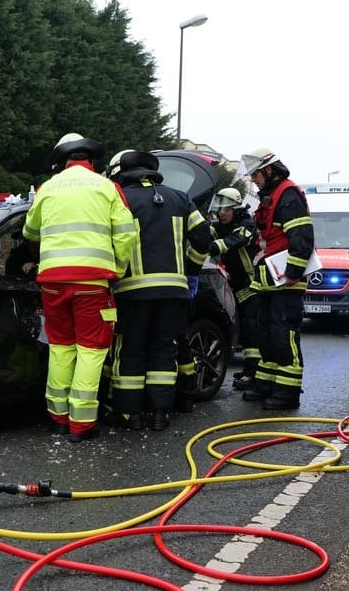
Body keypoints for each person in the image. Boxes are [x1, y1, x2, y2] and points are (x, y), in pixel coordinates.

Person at [23, 133, 136, 443]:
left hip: (52, 283)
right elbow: (127, 235)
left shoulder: (47, 188)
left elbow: (29, 230)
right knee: (92, 348)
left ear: (61, 161)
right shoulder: (107, 187)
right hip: (91, 282)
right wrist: (119, 270)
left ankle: (58, 418)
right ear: (92, 160)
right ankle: (81, 424)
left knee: (60, 347)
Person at [106, 149, 212, 431]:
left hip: (131, 291)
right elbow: (204, 237)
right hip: (174, 292)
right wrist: (190, 271)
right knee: (163, 350)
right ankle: (159, 413)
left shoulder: (120, 199)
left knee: (131, 350)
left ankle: (131, 415)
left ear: (120, 173)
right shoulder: (180, 198)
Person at [239, 148, 314, 409]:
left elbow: (301, 235)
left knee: (284, 334)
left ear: (269, 170)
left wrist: (293, 272)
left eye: (256, 175)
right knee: (267, 334)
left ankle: (287, 393)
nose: (253, 180)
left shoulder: (288, 194)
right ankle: (266, 384)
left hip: (286, 281)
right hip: (270, 279)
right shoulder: (270, 196)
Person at [208, 187, 262, 391]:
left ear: (236, 210)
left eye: (226, 210)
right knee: (240, 328)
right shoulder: (219, 225)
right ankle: (250, 371)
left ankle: (252, 373)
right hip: (233, 285)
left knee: (251, 330)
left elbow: (233, 242)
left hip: (250, 285)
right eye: (219, 210)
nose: (222, 213)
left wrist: (211, 247)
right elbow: (206, 233)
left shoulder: (247, 225)